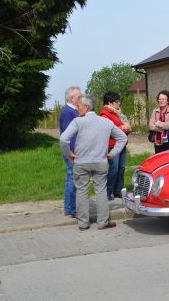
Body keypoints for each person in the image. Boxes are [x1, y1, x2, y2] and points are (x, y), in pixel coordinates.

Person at [60, 94, 127, 231]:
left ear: (86, 107)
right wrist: (113, 153)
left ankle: (83, 223)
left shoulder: (78, 122)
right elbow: (122, 137)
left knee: (82, 191)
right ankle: (103, 222)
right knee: (101, 191)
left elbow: (63, 139)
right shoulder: (106, 122)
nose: (77, 108)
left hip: (81, 162)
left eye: (79, 106)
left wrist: (69, 154)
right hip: (100, 161)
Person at [99, 91, 132, 200]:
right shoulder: (104, 115)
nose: (119, 104)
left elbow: (123, 125)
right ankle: (109, 191)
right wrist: (123, 128)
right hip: (112, 145)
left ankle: (118, 190)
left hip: (121, 144)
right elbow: (107, 129)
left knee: (121, 168)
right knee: (114, 168)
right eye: (117, 102)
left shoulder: (118, 114)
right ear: (110, 103)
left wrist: (126, 128)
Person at [59, 85, 81, 218]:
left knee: (72, 177)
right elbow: (69, 135)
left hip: (72, 151)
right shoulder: (69, 112)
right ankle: (71, 209)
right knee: (73, 178)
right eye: (79, 96)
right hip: (71, 152)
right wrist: (72, 152)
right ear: (72, 98)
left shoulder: (72, 111)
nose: (81, 98)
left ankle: (70, 207)